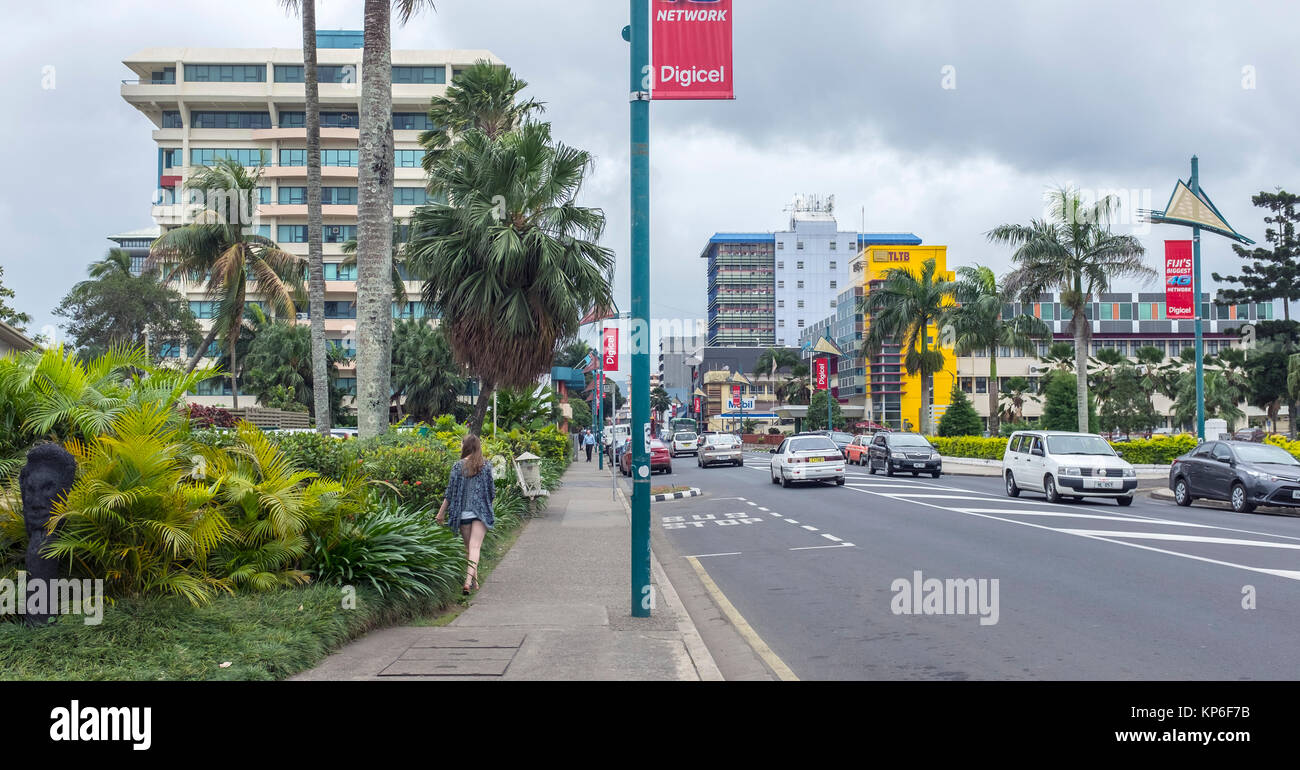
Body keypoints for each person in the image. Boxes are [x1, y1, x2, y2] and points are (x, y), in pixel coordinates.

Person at [436, 434, 495, 595]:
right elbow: (491, 492)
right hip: (481, 513)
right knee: (475, 547)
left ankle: (473, 582)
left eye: (461, 444)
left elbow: (450, 493)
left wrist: (441, 513)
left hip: (463, 514)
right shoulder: (486, 466)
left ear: (466, 446)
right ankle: (469, 582)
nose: (460, 446)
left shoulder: (457, 466)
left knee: (469, 548)